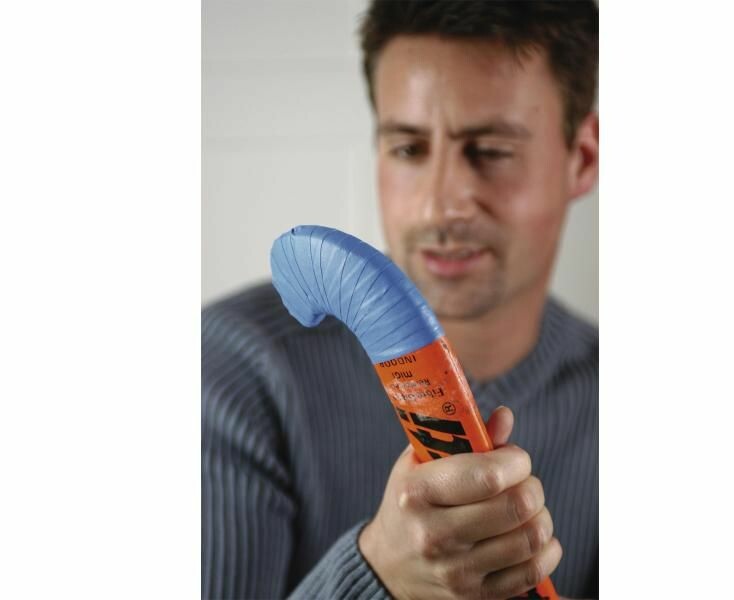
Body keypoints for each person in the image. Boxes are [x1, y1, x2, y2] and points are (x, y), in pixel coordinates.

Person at [202, 1, 599, 599]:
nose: (442, 204)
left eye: (491, 150)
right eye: (409, 149)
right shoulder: (232, 371)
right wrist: (380, 573)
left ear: (582, 159)